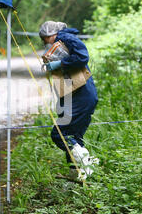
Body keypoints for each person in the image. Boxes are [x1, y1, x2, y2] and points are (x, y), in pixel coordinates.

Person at [39, 21, 98, 179]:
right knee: (73, 136)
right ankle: (76, 173)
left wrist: (61, 63)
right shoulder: (62, 40)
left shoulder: (65, 38)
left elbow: (82, 57)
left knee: (60, 134)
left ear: (51, 35)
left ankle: (85, 161)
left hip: (82, 95)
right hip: (78, 95)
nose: (44, 43)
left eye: (45, 39)